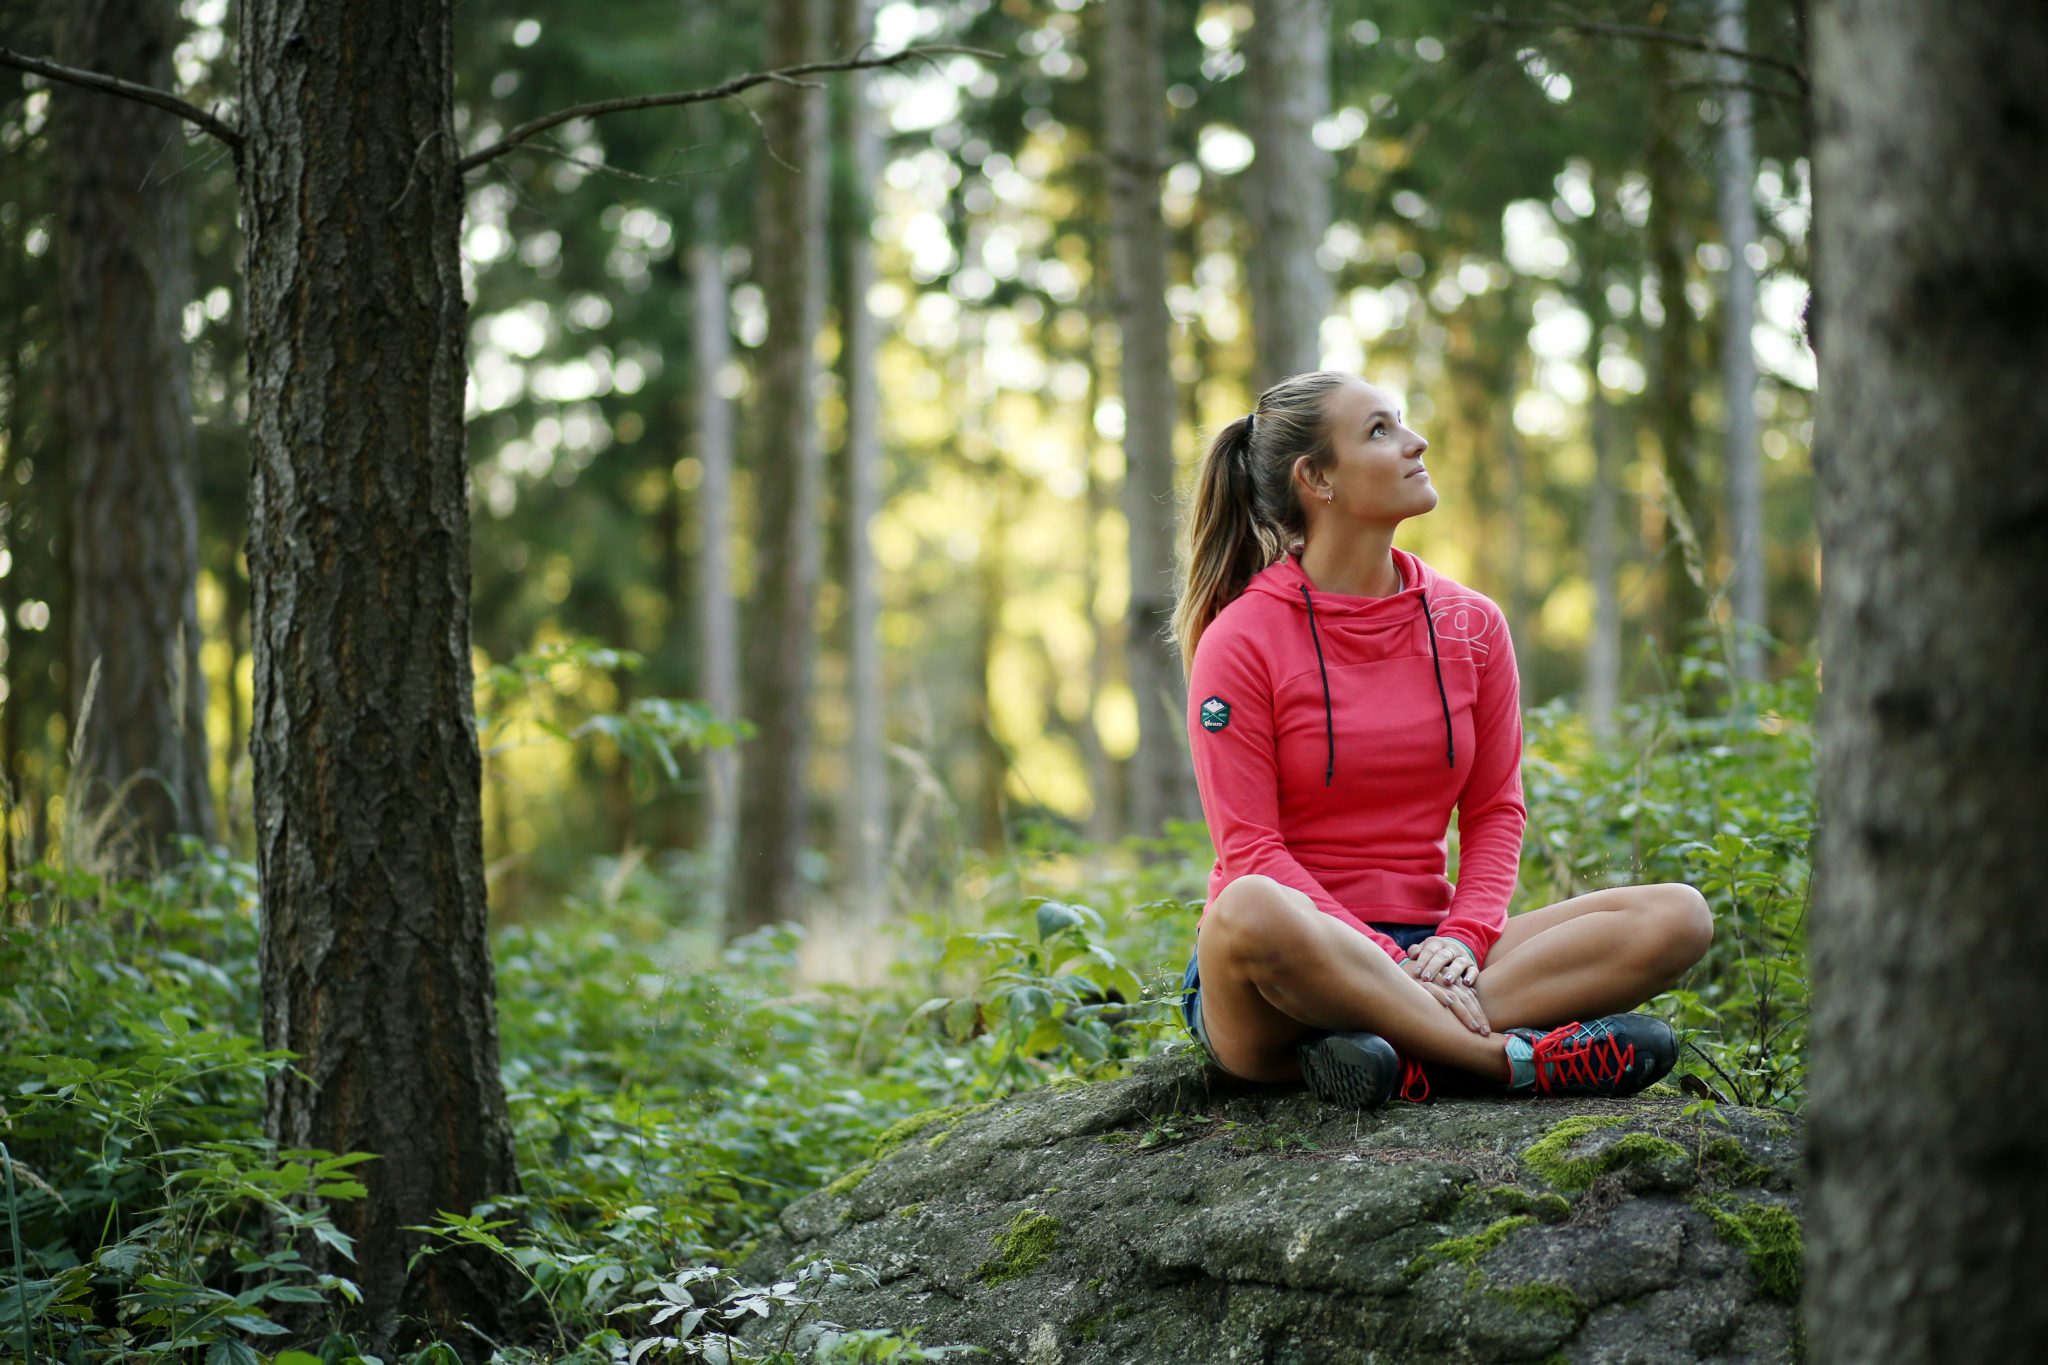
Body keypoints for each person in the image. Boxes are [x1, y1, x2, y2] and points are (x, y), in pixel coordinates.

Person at [1169, 370, 1713, 1108]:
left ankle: (1395, 1056)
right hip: (1287, 970)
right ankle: (1500, 1063)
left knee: (1677, 914)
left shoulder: (1471, 624)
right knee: (1248, 903)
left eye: (1401, 422)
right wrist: (1387, 963)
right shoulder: (1241, 639)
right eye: (1380, 430)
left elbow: (1494, 809)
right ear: (1317, 478)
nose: (1415, 441)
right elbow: (1251, 849)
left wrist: (1462, 937)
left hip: (1437, 947)